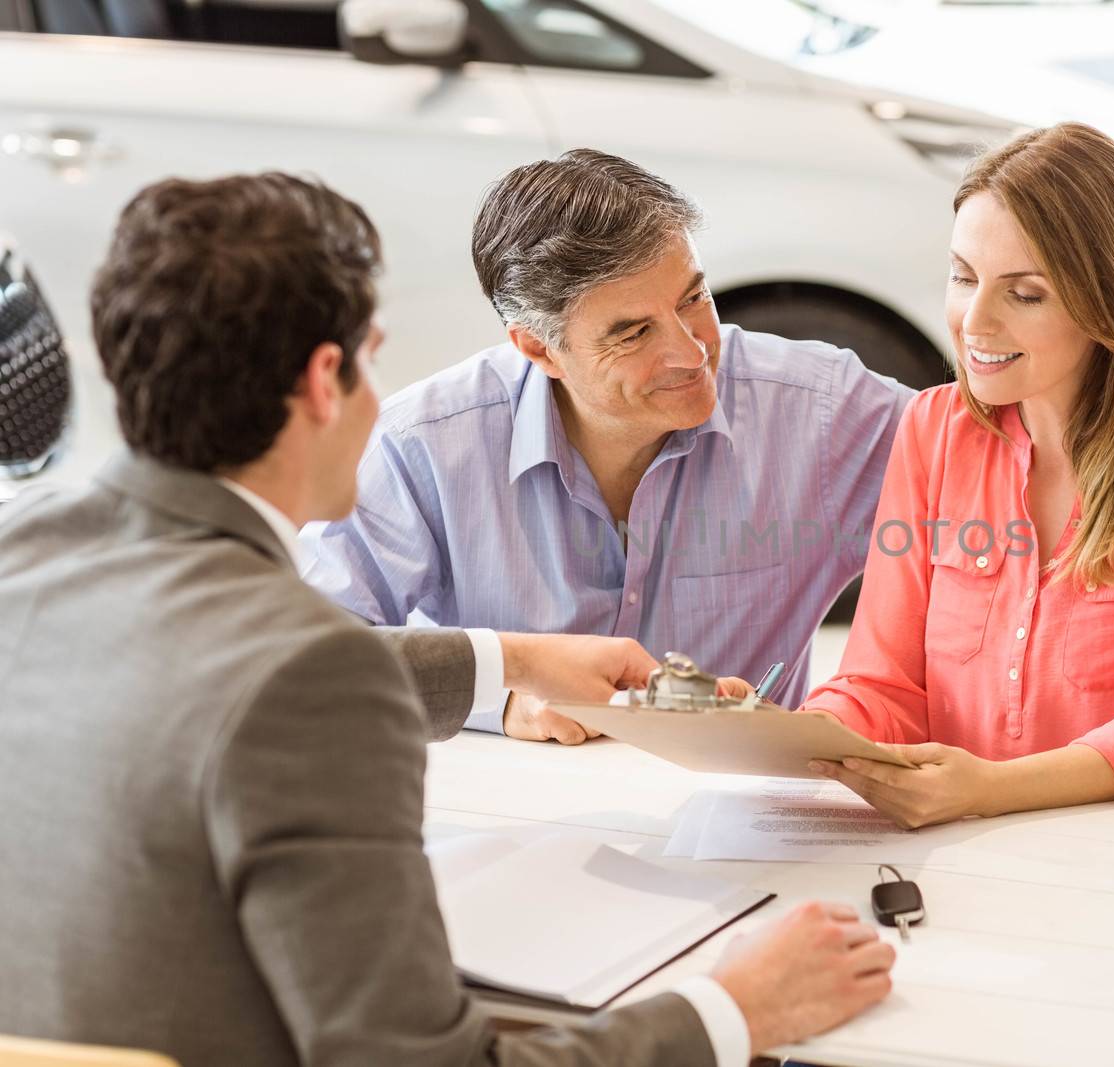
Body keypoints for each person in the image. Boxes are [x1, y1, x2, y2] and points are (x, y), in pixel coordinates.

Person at [0, 173, 894, 1066]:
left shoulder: (23, 557)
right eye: (370, 357)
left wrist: (507, 662)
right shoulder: (310, 678)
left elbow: (220, 667)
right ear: (325, 381)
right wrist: (734, 1010)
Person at [300, 149, 1114, 746]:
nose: (693, 352)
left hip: (733, 840)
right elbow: (307, 659)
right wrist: (504, 695)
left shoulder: (816, 412)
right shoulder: (424, 449)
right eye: (633, 332)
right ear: (534, 345)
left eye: (696, 299)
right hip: (507, 823)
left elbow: (1029, 441)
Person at [798, 124, 1114, 828]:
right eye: (964, 278)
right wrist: (793, 738)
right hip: (975, 852)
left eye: (1024, 294)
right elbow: (885, 685)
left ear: (1108, 301)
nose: (975, 322)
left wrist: (988, 789)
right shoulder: (935, 432)